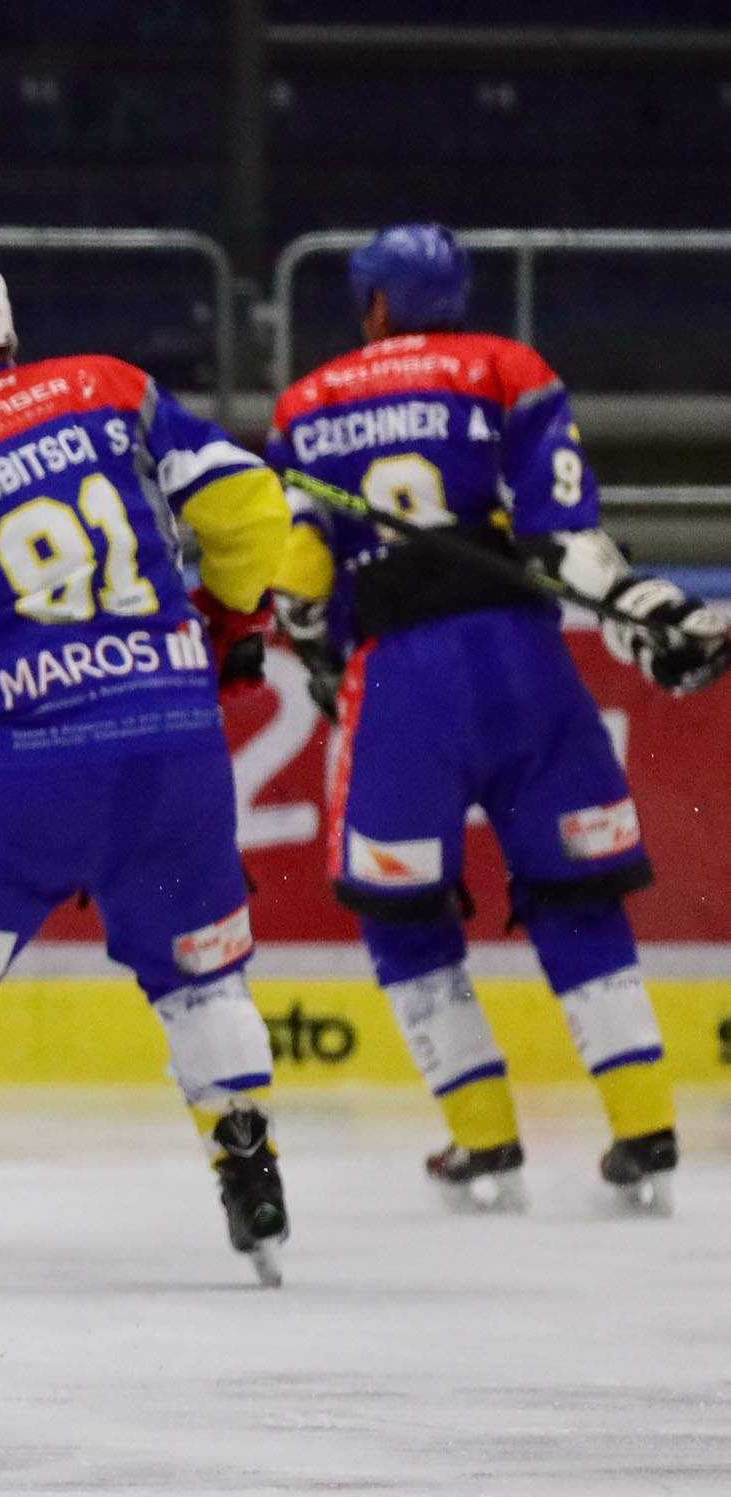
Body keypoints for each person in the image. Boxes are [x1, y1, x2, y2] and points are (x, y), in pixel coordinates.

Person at [0, 241, 293, 1289]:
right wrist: (229, 620)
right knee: (202, 976)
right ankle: (252, 1178)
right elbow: (252, 504)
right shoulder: (110, 387)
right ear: (3, 320)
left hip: (25, 762)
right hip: (174, 742)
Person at [266, 223, 730, 1214]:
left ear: (375, 305)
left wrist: (321, 657)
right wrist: (642, 606)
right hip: (529, 670)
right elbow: (566, 537)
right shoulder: (509, 368)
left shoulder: (308, 403)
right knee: (579, 900)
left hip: (400, 689)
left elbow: (299, 583)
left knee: (403, 921)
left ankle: (484, 1142)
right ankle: (644, 1127)